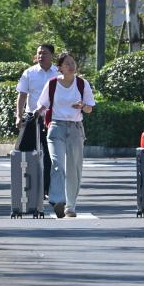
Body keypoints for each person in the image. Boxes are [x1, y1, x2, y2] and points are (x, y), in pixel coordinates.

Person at [35, 52, 95, 218]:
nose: (71, 66)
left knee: (74, 168)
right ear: (60, 68)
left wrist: (82, 106)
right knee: (57, 164)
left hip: (75, 128)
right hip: (56, 127)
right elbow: (43, 105)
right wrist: (36, 112)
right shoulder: (52, 84)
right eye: (67, 63)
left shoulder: (82, 84)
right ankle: (57, 200)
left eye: (73, 63)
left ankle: (70, 206)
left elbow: (89, 109)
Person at [16, 43, 60, 198]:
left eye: (45, 53)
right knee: (28, 154)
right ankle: (29, 187)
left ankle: (46, 189)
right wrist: (18, 116)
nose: (41, 56)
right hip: (32, 118)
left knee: (49, 155)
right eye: (39, 53)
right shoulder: (29, 72)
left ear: (52, 55)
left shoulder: (58, 72)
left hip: (53, 118)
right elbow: (22, 95)